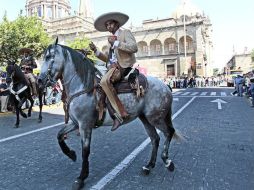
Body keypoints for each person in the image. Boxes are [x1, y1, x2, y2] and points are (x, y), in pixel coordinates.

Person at [89, 12, 138, 131]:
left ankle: (119, 114)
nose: (108, 27)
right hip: (112, 67)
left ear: (116, 23)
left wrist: (116, 43)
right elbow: (108, 59)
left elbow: (134, 47)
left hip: (124, 66)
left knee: (104, 82)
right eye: (106, 25)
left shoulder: (125, 33)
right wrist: (95, 51)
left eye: (110, 24)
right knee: (96, 81)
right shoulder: (109, 40)